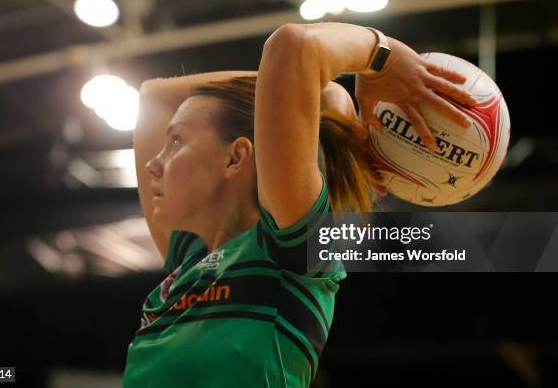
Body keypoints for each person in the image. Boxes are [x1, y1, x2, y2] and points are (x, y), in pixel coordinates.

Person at [123, 22, 477, 387]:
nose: (153, 162)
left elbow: (293, 46)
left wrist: (381, 55)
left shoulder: (288, 246)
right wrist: (318, 90)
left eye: (177, 140)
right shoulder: (188, 260)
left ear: (235, 157)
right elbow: (154, 96)